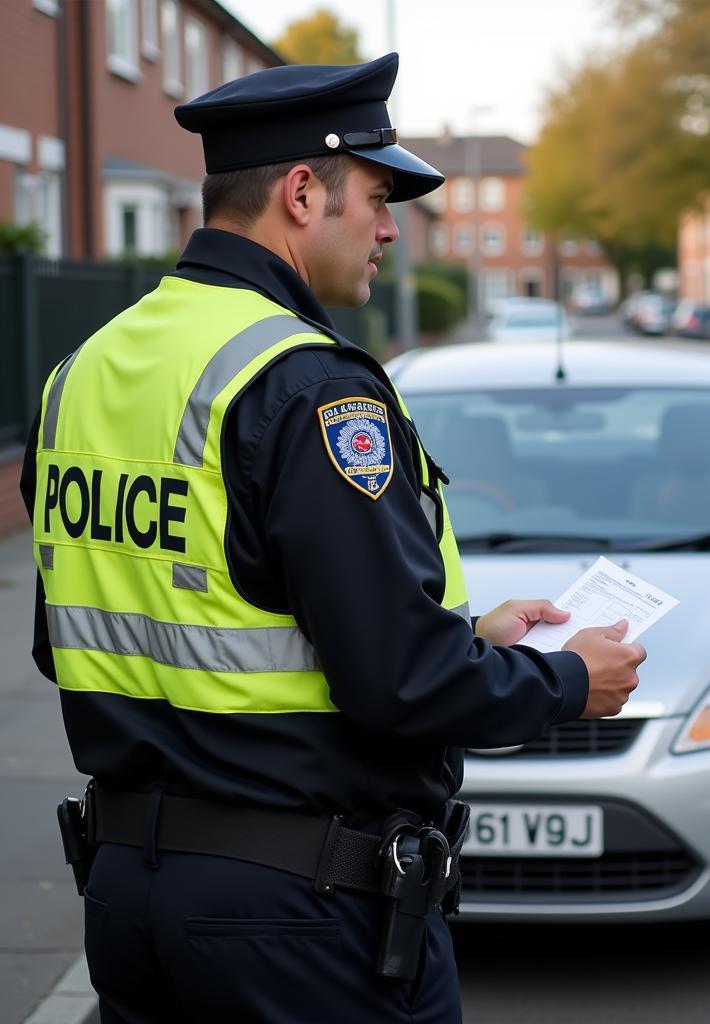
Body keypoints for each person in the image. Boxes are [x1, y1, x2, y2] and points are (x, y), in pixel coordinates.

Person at [21, 53, 645, 1023]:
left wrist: (465, 637)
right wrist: (571, 681)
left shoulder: (83, 372)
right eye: (378, 195)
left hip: (129, 899)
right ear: (304, 194)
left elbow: (82, 639)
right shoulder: (309, 387)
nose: (392, 226)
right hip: (297, 914)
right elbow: (399, 684)